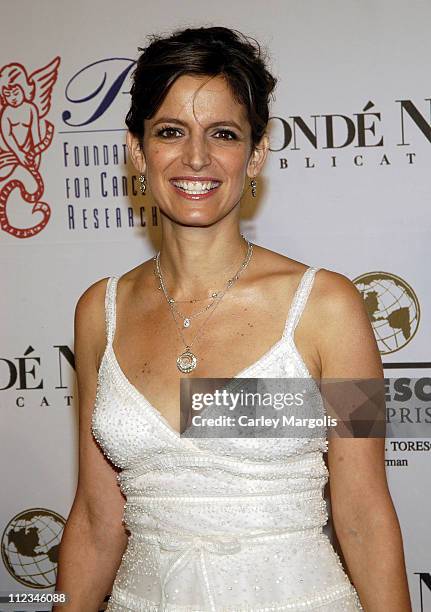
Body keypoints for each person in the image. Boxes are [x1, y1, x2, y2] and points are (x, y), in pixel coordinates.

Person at [55, 26, 412, 611]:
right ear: (137, 151)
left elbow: (364, 513)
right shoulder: (100, 311)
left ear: (257, 154)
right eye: (171, 132)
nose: (196, 157)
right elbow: (96, 520)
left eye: (223, 133)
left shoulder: (328, 307)